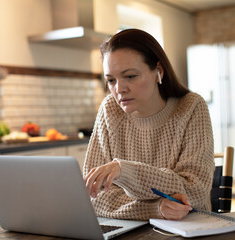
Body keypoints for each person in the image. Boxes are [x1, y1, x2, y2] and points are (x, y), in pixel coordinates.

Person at [83, 28, 214, 221]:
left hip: (188, 227)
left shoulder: (192, 107)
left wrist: (125, 171)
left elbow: (194, 192)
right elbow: (94, 196)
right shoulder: (109, 109)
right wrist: (155, 209)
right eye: (111, 80)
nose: (119, 89)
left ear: (158, 72)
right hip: (129, 228)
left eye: (130, 76)